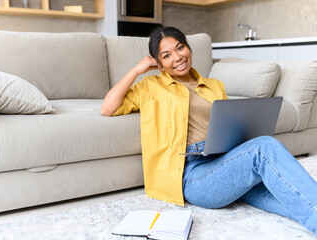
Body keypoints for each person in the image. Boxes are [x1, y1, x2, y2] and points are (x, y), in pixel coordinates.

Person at [101, 26, 317, 236]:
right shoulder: (150, 86)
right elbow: (108, 108)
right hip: (193, 174)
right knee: (264, 148)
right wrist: (137, 70)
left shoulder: (215, 86)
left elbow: (228, 128)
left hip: (224, 162)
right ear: (159, 63)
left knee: (289, 193)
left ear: (188, 48)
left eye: (179, 48)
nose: (177, 57)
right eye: (166, 55)